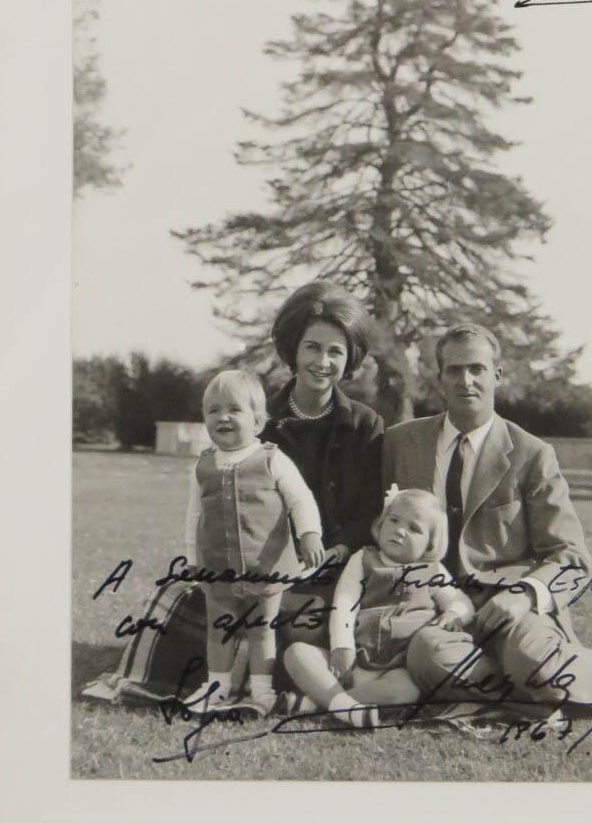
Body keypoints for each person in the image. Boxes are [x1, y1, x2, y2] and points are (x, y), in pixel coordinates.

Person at [382, 323, 592, 718]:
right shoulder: (399, 443)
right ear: (439, 378)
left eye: (477, 369)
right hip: (437, 611)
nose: (466, 380)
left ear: (497, 374)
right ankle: (546, 699)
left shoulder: (532, 454)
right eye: (454, 370)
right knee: (427, 656)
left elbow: (571, 556)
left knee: (534, 662)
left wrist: (525, 594)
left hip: (511, 608)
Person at [182, 369, 324, 715]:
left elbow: (301, 499)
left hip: (267, 567)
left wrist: (309, 534)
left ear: (258, 420)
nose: (223, 417)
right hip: (217, 567)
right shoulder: (202, 466)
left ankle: (262, 689)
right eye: (213, 411)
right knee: (220, 630)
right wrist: (190, 557)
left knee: (262, 630)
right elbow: (194, 515)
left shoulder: (272, 459)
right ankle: (216, 687)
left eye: (234, 409)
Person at [282, 487, 474, 729]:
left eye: (414, 528)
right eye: (393, 520)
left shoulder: (433, 570)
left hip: (395, 669)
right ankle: (342, 706)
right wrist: (342, 647)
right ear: (381, 524)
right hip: (355, 659)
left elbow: (460, 601)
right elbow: (344, 602)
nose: (400, 531)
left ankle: (322, 705)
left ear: (430, 544)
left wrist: (454, 614)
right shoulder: (363, 559)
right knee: (296, 653)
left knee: (408, 690)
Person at [261, 281, 384, 563]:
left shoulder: (366, 425)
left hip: (345, 569)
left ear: (350, 357)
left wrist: (341, 549)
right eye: (312, 347)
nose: (323, 361)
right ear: (294, 349)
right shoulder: (260, 421)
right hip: (269, 569)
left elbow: (373, 505)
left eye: (335, 352)